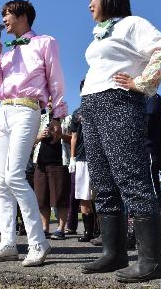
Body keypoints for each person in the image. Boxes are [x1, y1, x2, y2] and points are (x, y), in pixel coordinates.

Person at [79, 0, 161, 283]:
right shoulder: (99, 34)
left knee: (131, 178)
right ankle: (114, 253)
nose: (89, 4)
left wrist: (143, 84)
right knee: (103, 180)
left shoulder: (133, 23)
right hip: (92, 105)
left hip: (119, 102)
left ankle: (152, 261)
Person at [0, 0, 67, 267]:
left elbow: (56, 79)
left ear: (23, 16)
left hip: (28, 109)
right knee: (3, 180)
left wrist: (58, 115)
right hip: (4, 111)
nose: (3, 19)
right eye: (3, 15)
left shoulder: (44, 42)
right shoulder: (5, 52)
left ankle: (38, 241)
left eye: (7, 14)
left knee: (16, 175)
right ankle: (8, 242)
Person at [33, 109, 71, 240]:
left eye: (52, 99)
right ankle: (45, 228)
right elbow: (31, 139)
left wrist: (61, 135)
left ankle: (61, 229)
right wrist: (39, 137)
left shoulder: (66, 118)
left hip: (59, 162)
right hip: (40, 164)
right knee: (41, 198)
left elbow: (74, 138)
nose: (50, 103)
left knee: (60, 198)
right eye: (48, 100)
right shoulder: (40, 118)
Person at [69, 80, 95, 242]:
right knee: (83, 196)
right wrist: (72, 157)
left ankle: (102, 231)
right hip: (82, 158)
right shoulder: (77, 113)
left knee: (99, 195)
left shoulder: (102, 109)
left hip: (99, 157)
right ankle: (88, 232)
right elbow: (74, 136)